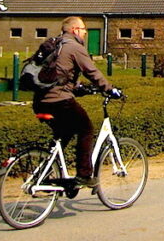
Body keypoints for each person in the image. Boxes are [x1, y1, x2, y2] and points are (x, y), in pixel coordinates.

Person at [32, 15, 120, 187]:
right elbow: (92, 72)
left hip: (39, 101)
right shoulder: (74, 47)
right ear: (75, 30)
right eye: (83, 29)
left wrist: (77, 87)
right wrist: (109, 89)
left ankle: (46, 171)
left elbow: (60, 73)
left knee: (65, 132)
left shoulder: (53, 44)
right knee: (86, 128)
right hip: (59, 101)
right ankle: (84, 174)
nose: (86, 33)